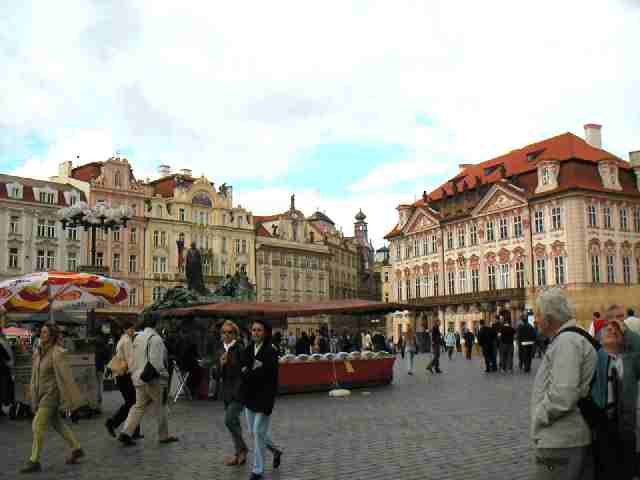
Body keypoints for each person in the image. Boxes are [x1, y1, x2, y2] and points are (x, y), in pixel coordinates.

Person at [530, 288, 597, 480]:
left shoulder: (567, 342)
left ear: (549, 317)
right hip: (566, 437)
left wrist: (540, 416)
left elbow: (563, 394)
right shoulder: (568, 338)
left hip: (560, 440)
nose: (536, 320)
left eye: (538, 314)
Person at [20, 322, 85, 473]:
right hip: (41, 393)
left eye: (45, 332)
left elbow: (66, 378)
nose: (41, 334)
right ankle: (77, 448)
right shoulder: (38, 351)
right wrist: (32, 391)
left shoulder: (58, 352)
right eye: (41, 332)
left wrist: (73, 402)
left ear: (52, 335)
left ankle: (34, 460)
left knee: (37, 424)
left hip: (52, 394)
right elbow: (35, 374)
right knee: (57, 423)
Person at [589, 310, 640, 480]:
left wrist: (625, 330)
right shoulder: (594, 358)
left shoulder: (630, 360)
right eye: (608, 328)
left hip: (626, 426)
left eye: (616, 330)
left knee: (626, 472)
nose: (612, 330)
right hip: (602, 426)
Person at [118, 314, 179, 446]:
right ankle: (163, 436)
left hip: (138, 377)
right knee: (161, 406)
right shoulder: (156, 339)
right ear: (157, 323)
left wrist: (135, 374)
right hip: (153, 379)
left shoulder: (137, 337)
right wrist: (163, 376)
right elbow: (156, 362)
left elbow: (132, 358)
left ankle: (126, 432)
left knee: (138, 406)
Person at [242, 319, 283, 480]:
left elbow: (270, 376)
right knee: (255, 432)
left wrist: (251, 371)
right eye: (254, 330)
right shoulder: (247, 349)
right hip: (249, 396)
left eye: (259, 330)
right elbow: (243, 371)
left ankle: (257, 471)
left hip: (264, 397)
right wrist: (253, 370)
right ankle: (275, 450)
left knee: (258, 431)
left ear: (265, 333)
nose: (256, 333)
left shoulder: (271, 351)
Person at [105, 321, 141, 439]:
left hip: (122, 376)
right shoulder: (127, 341)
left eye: (133, 328)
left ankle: (134, 431)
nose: (133, 331)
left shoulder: (122, 340)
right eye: (130, 328)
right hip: (126, 376)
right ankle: (113, 423)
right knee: (133, 404)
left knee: (133, 403)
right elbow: (131, 361)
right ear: (125, 329)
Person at [219, 320, 248, 466]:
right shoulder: (220, 349)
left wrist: (229, 361)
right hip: (226, 392)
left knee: (229, 420)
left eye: (230, 332)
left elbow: (244, 369)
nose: (226, 335)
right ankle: (238, 453)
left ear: (235, 334)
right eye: (224, 332)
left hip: (239, 391)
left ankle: (242, 450)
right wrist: (220, 365)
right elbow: (216, 375)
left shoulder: (240, 349)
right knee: (234, 423)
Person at [0, 327, 15, 417]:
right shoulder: (3, 343)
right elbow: (8, 358)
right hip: (3, 371)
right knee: (4, 390)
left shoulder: (3, 342)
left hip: (3, 370)